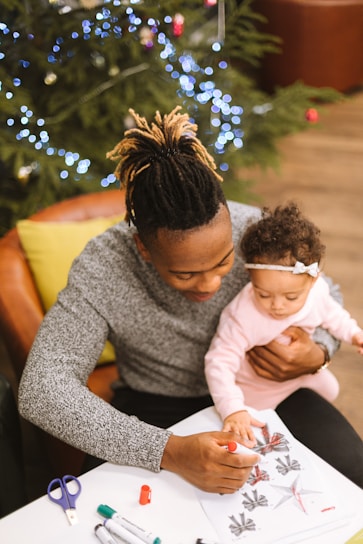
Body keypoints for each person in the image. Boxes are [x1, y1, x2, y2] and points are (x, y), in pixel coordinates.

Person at [18, 107, 363, 492]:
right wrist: (169, 451)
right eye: (185, 274)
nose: (212, 284)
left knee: (352, 477)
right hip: (155, 405)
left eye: (225, 261)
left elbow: (323, 289)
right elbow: (41, 390)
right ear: (143, 249)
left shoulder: (255, 230)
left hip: (266, 389)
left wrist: (319, 351)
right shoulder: (103, 266)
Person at [205, 203, 363, 446]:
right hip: (254, 387)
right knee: (258, 434)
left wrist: (354, 334)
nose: (277, 306)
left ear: (313, 280)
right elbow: (219, 362)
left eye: (291, 298)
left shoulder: (317, 292)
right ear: (251, 279)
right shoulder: (241, 314)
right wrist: (233, 409)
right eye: (263, 294)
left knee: (331, 388)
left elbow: (334, 315)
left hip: (298, 373)